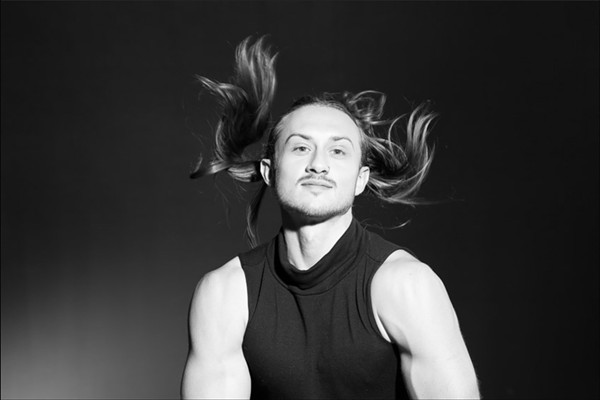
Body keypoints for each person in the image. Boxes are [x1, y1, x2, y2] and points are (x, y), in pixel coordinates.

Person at [181, 36, 480, 399]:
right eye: (301, 147)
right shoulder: (225, 293)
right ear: (269, 171)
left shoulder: (406, 286)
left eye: (338, 151)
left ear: (360, 179)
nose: (318, 165)